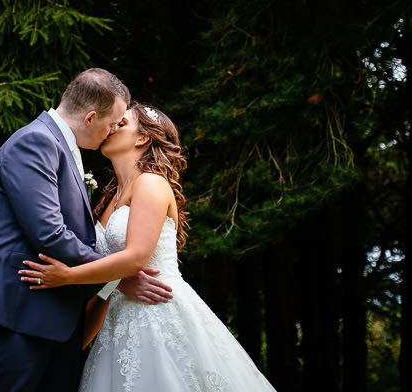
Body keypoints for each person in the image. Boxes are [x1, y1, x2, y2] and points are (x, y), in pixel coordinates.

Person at [19, 102, 278, 392]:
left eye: (123, 123)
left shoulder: (152, 183)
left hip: (158, 316)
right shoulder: (109, 198)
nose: (113, 127)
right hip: (117, 327)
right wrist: (79, 338)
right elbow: (112, 283)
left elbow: (136, 257)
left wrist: (68, 276)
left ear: (142, 138)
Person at [0, 69, 174, 392]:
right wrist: (117, 276)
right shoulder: (35, 142)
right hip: (18, 314)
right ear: (89, 118)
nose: (111, 131)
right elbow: (50, 233)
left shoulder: (63, 148)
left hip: (57, 320)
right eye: (111, 124)